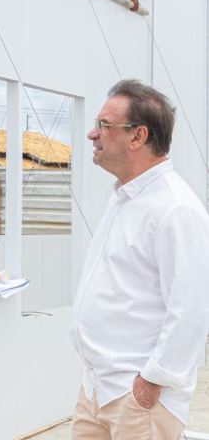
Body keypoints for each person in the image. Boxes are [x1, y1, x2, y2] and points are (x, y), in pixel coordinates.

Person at [70, 80, 209, 439]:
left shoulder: (175, 208)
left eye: (104, 125)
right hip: (98, 389)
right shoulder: (124, 199)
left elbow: (191, 310)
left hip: (138, 398)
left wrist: (151, 382)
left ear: (138, 136)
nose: (92, 134)